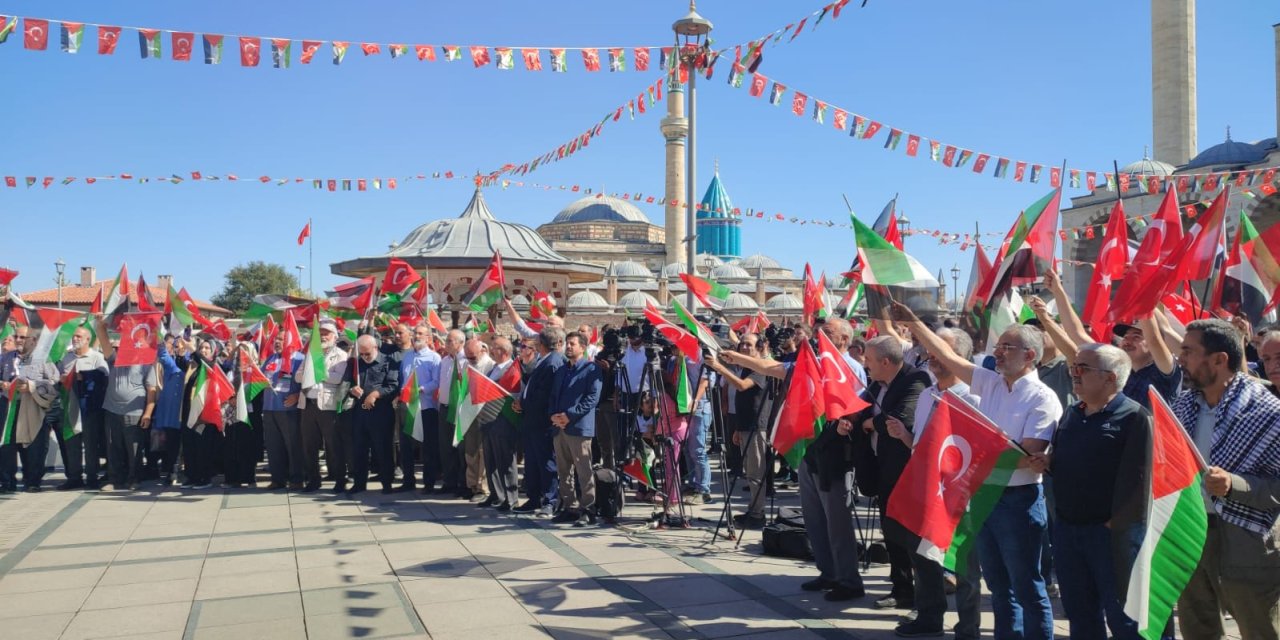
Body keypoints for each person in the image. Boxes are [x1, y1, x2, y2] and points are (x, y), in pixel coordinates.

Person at [892, 302, 1060, 640]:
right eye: (997, 347)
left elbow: (1028, 454)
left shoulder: (1042, 398)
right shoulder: (993, 383)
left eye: (1006, 347)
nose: (996, 353)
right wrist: (913, 323)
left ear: (1030, 355)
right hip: (985, 496)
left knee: (1026, 586)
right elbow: (948, 355)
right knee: (998, 587)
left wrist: (978, 455)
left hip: (1018, 501)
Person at [720, 325, 869, 603]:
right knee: (814, 519)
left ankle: (849, 580)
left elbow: (858, 408)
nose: (819, 334)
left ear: (845, 339)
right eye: (819, 330)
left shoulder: (850, 368)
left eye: (827, 331)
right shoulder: (807, 363)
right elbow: (772, 367)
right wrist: (738, 359)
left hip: (836, 455)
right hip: (809, 449)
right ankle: (828, 572)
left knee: (837, 523)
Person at [1028, 343, 1145, 640]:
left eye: (1083, 368)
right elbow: (1068, 455)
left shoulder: (1135, 417)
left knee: (1124, 618)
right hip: (1068, 531)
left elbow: (1143, 481)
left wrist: (1116, 524)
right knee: (1080, 614)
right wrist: (1049, 461)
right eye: (1073, 367)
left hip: (1110, 536)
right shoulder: (1072, 412)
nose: (1074, 374)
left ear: (1111, 378)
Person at [1172, 319, 1280, 640]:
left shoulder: (1268, 412)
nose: (1181, 359)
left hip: (1247, 542)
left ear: (1219, 360)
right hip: (1191, 533)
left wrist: (1234, 485)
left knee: (1260, 630)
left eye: (1189, 352)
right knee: (1196, 628)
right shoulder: (1180, 408)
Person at [884, 326, 983, 640]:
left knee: (964, 564)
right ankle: (929, 616)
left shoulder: (975, 395)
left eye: (941, 351)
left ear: (960, 356)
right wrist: (905, 436)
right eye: (930, 351)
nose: (931, 357)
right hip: (928, 489)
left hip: (962, 493)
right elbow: (924, 446)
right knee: (923, 556)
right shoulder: (928, 394)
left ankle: (968, 628)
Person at [845, 336, 931, 612]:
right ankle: (901, 587)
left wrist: (871, 422)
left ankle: (922, 592)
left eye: (868, 360)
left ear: (885, 361)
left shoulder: (915, 379)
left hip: (905, 470)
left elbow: (901, 418)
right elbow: (861, 407)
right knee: (891, 531)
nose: (864, 364)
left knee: (909, 536)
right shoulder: (875, 383)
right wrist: (852, 419)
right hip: (881, 467)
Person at [705, 333, 773, 529]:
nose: (744, 347)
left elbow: (742, 386)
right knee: (749, 472)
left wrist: (719, 368)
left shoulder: (761, 367)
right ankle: (753, 510)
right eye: (742, 344)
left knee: (755, 474)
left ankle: (758, 514)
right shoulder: (746, 368)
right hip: (744, 425)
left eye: (749, 344)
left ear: (759, 347)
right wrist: (737, 428)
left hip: (757, 426)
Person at [96, 315, 159, 492]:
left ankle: (134, 479)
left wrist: (148, 412)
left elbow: (152, 390)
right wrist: (100, 326)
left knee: (134, 449)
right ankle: (115, 480)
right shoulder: (114, 359)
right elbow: (104, 341)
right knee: (113, 447)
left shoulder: (147, 362)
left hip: (135, 412)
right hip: (112, 410)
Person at [550, 331, 603, 526]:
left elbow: (591, 398)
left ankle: (588, 508)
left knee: (583, 470)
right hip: (559, 427)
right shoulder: (562, 371)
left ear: (583, 347)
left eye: (572, 344)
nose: (568, 347)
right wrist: (553, 415)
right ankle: (569, 506)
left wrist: (569, 415)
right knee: (564, 470)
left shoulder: (591, 370)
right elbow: (553, 395)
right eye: (567, 343)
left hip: (579, 428)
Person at [513, 326, 566, 517]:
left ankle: (550, 500)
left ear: (541, 344)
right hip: (531, 420)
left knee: (546, 463)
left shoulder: (553, 362)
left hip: (542, 421)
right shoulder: (543, 360)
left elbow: (544, 396)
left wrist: (524, 404)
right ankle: (534, 497)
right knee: (533, 462)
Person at [2, 325, 60, 492]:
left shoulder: (43, 359)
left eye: (22, 337)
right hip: (10, 406)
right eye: (16, 336)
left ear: (33, 341)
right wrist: (3, 384)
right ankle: (8, 482)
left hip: (33, 407)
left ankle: (32, 481)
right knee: (8, 445)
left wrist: (32, 386)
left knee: (33, 444)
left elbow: (55, 383)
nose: (18, 340)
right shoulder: (6, 358)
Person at [299, 319, 351, 493]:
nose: (322, 336)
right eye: (320, 333)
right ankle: (314, 480)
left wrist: (317, 373)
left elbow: (339, 378)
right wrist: (313, 373)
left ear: (334, 337)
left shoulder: (341, 355)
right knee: (309, 445)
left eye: (326, 333)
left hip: (328, 405)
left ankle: (339, 479)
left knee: (333, 445)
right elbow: (298, 377)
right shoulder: (310, 354)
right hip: (308, 404)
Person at [57, 325, 110, 490]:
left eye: (79, 336)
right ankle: (74, 477)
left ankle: (92, 477)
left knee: (90, 443)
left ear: (88, 339)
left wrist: (84, 377)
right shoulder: (66, 358)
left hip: (89, 408)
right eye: (74, 336)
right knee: (72, 443)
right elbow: (57, 378)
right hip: (70, 406)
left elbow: (105, 378)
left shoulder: (97, 357)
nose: (75, 339)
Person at [345, 334, 399, 496]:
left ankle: (387, 482)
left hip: (381, 411)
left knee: (382, 448)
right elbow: (348, 383)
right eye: (361, 354)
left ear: (375, 348)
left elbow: (393, 386)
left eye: (367, 353)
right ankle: (360, 483)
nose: (365, 357)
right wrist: (352, 390)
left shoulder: (388, 362)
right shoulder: (356, 364)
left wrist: (375, 394)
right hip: (360, 412)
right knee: (359, 449)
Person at [180, 338, 228, 490]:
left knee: (203, 446)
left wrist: (193, 350)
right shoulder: (194, 367)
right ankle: (191, 476)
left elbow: (205, 364)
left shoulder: (214, 366)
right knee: (189, 445)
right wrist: (183, 353)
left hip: (204, 415)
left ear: (213, 352)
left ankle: (204, 477)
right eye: (202, 347)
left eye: (207, 348)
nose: (204, 350)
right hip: (190, 412)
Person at [480, 337, 521, 511]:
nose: (490, 349)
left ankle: (511, 498)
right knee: (491, 460)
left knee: (505, 460)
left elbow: (514, 393)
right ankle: (496, 493)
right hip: (489, 418)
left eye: (494, 347)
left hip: (504, 420)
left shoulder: (512, 369)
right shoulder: (494, 368)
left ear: (504, 351)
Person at [261, 335, 304, 490]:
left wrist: (298, 395)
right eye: (275, 340)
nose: (277, 342)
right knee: (273, 446)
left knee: (293, 445)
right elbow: (260, 378)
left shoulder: (300, 359)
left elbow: (310, 382)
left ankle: (297, 479)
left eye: (281, 339)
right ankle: (278, 479)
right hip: (270, 408)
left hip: (289, 410)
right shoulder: (271, 359)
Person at [402, 323, 440, 494]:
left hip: (426, 408)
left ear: (428, 338)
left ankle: (429, 482)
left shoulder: (434, 358)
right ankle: (408, 480)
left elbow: (437, 382)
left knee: (428, 448)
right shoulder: (407, 357)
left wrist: (421, 389)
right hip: (408, 407)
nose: (416, 336)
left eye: (420, 334)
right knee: (407, 446)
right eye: (414, 333)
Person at [460, 337, 495, 503]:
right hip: (469, 411)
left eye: (473, 357)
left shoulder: (490, 366)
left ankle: (482, 488)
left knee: (482, 452)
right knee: (470, 450)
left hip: (485, 413)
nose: (470, 360)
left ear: (482, 351)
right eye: (467, 357)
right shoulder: (467, 365)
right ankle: (471, 484)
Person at [436, 329, 466, 496]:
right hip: (445, 407)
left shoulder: (466, 360)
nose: (446, 343)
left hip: (460, 409)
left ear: (460, 343)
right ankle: (449, 481)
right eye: (446, 341)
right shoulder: (445, 361)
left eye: (450, 341)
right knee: (445, 447)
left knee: (460, 448)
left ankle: (463, 483)